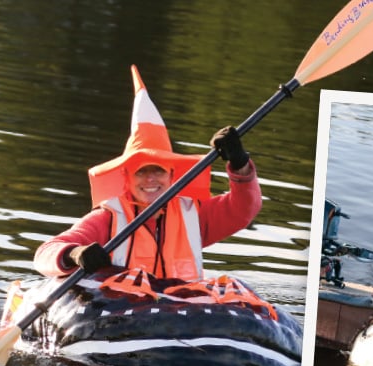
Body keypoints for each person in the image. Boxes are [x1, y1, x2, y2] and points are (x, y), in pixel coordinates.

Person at [34, 66, 261, 281]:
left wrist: (239, 161)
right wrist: (74, 254)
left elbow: (244, 209)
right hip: (120, 314)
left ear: (172, 176)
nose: (150, 179)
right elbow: (44, 254)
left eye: (158, 171)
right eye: (141, 172)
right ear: (127, 178)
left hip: (179, 313)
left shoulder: (194, 215)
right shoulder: (108, 218)